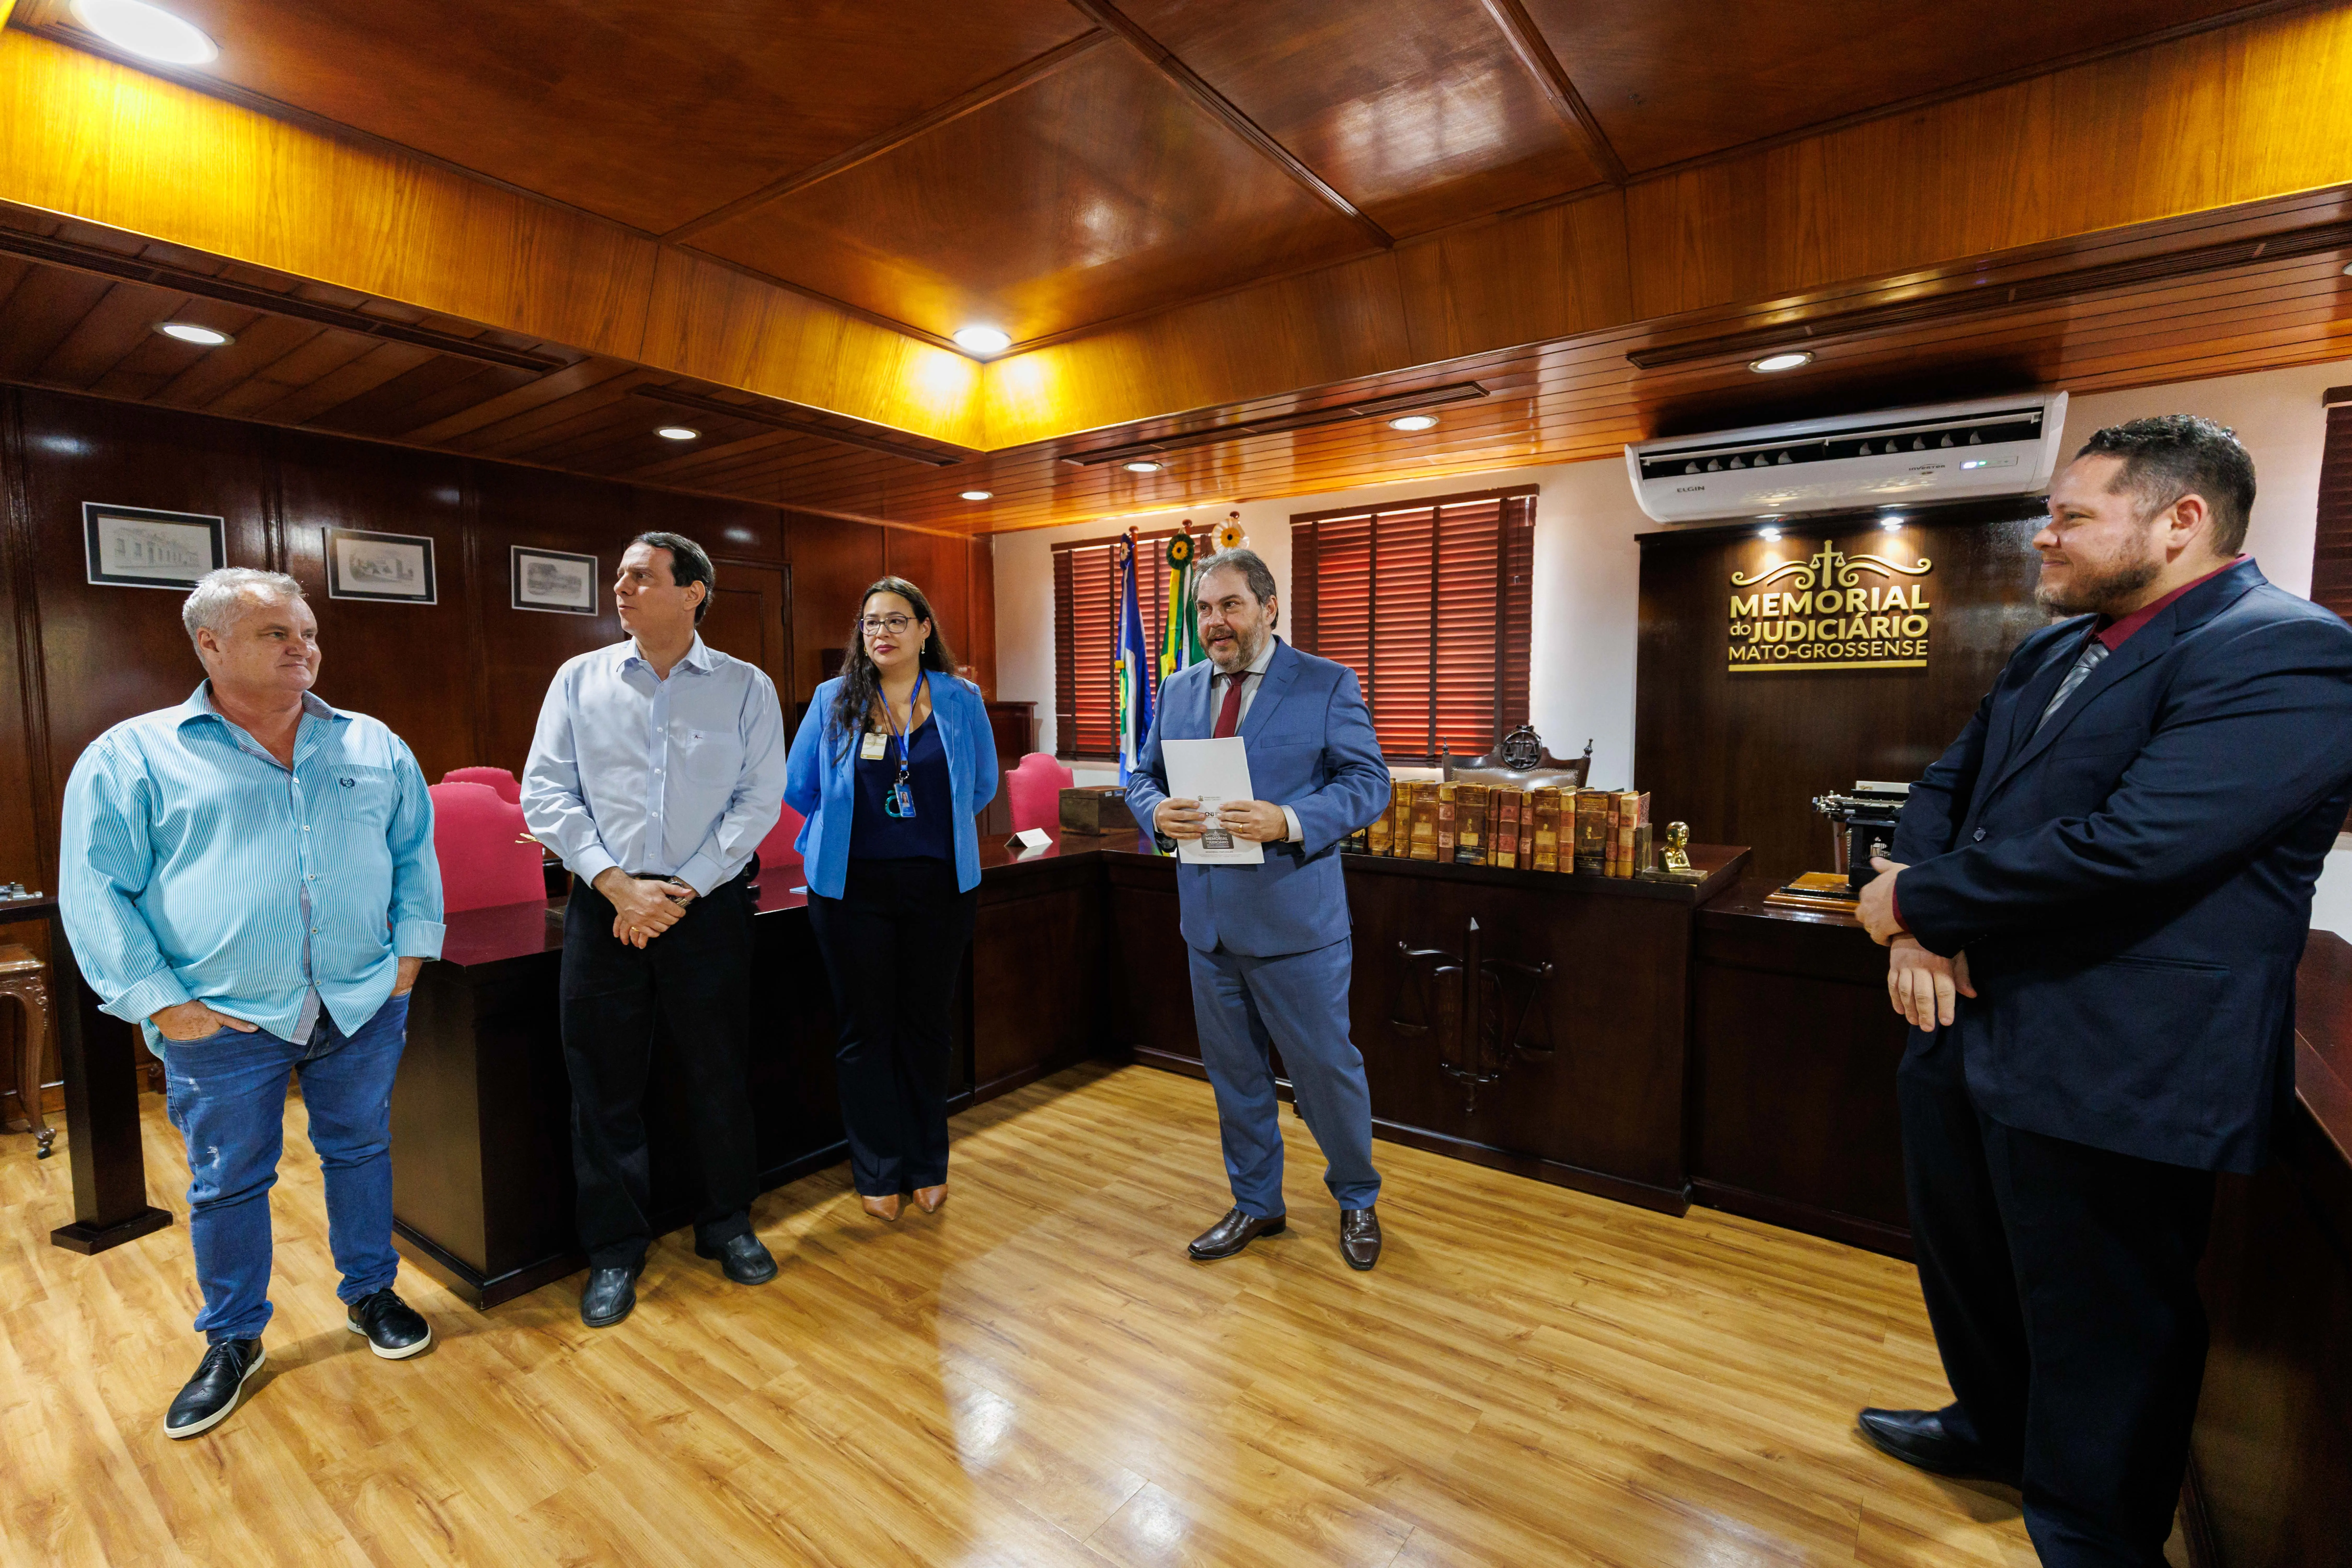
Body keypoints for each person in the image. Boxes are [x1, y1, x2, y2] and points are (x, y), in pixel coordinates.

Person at [1853, 416, 2352, 1566]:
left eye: (2073, 516)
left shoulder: (2290, 651)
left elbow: (2134, 848)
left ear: (2183, 521)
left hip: (2122, 1052)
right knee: (1972, 1262)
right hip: (1967, 1022)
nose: (2045, 536)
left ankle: (2095, 1532)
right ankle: (1995, 1425)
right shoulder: (2053, 652)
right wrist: (1918, 922)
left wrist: (1920, 902)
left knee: (2107, 1314)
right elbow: (1943, 790)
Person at [59, 568, 444, 1439]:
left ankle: (372, 1294)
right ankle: (233, 1338)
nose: (303, 647)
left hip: (361, 1002)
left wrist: (410, 959)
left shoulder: (373, 744)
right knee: (230, 1181)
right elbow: (95, 892)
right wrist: (165, 1007)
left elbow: (414, 853)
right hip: (223, 1017)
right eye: (277, 633)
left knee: (362, 1150)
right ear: (211, 645)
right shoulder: (133, 756)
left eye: (308, 632)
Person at [522, 531, 787, 1328]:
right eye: (620, 576)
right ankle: (615, 1251)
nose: (622, 588)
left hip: (707, 908)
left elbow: (758, 800)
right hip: (605, 910)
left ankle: (727, 1223)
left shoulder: (745, 687)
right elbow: (546, 793)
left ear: (693, 592)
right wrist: (616, 885)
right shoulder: (579, 680)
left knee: (717, 1073)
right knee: (602, 1085)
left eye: (641, 576)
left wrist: (684, 887)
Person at [1123, 548, 1392, 1269]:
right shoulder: (1178, 689)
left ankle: (1357, 1198)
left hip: (1296, 924)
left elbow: (1370, 784)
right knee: (1236, 1077)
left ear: (1269, 608)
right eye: (1205, 609)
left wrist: (1289, 820)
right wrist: (1157, 814)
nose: (1215, 622)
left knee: (1325, 1074)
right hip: (1209, 927)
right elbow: (1142, 777)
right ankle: (1257, 1203)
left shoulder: (1326, 683)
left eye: (1231, 605)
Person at [785, 577, 998, 1221]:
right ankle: (878, 1168)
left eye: (897, 621)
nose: (882, 633)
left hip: (939, 888)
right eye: (872, 622)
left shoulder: (960, 699)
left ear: (924, 630)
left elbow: (983, 784)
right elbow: (800, 787)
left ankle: (927, 1164)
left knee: (927, 1028)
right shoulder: (833, 699)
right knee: (865, 1030)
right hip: (852, 892)